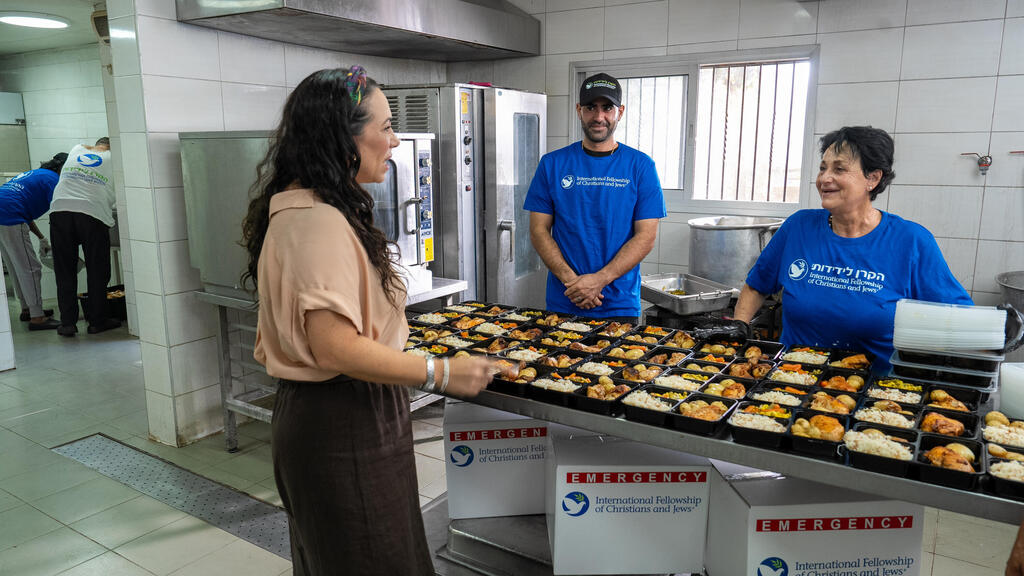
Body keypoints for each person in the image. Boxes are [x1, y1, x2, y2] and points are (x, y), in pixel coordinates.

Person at [241, 66, 494, 575]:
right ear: (342, 137)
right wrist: (442, 373)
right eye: (385, 126)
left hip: (341, 414)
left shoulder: (309, 207)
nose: (396, 140)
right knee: (373, 558)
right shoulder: (315, 222)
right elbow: (335, 348)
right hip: (341, 421)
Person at [729, 126, 972, 373]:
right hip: (792, 382)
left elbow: (959, 316)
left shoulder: (911, 241)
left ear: (873, 178)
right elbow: (757, 285)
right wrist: (739, 328)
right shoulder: (798, 227)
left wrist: (996, 332)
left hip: (874, 394)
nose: (824, 178)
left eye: (839, 169)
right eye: (823, 168)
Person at [525, 72, 665, 322]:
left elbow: (646, 236)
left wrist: (598, 281)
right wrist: (574, 283)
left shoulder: (641, 166)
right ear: (579, 110)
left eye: (607, 108)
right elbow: (538, 231)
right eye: (591, 107)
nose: (599, 117)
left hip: (619, 305)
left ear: (620, 112)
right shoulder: (552, 165)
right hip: (565, 300)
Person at [49, 137, 119, 336]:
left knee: (64, 271)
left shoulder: (77, 148)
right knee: (97, 270)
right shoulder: (115, 157)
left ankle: (68, 323)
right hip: (91, 213)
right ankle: (97, 321)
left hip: (59, 209)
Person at [0, 152, 66, 329]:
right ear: (62, 169)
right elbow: (59, 212)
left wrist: (41, 237)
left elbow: (25, 210)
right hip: (11, 215)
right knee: (31, 268)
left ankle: (27, 309)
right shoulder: (53, 179)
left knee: (15, 266)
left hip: (5, 212)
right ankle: (37, 317)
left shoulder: (37, 175)